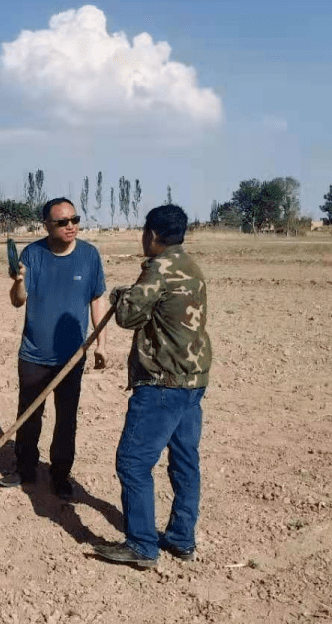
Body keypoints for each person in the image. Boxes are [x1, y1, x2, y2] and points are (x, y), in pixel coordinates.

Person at [91, 204, 212, 569]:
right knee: (185, 461)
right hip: (193, 380)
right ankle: (181, 538)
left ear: (153, 235)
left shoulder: (158, 269)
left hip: (163, 383)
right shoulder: (190, 266)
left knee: (132, 463)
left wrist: (118, 296)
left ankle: (142, 545)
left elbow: (129, 317)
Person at [0, 197, 108, 500]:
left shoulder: (89, 256)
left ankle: (60, 475)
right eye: (62, 222)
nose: (71, 226)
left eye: (75, 220)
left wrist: (101, 342)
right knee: (29, 415)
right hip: (33, 354)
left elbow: (97, 299)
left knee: (66, 418)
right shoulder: (33, 254)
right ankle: (25, 470)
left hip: (71, 357)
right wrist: (19, 281)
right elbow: (18, 300)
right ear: (47, 225)